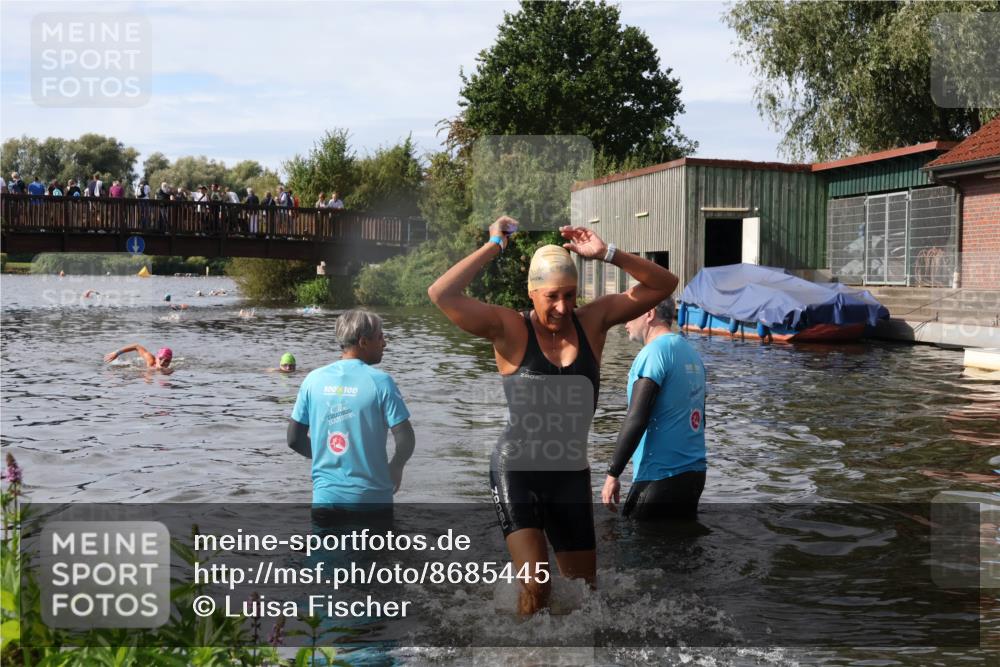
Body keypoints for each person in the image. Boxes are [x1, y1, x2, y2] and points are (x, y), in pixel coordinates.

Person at [427, 217, 678, 614]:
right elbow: (441, 293)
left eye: (571, 295)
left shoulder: (593, 321)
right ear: (532, 293)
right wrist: (495, 245)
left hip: (569, 475)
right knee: (538, 587)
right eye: (552, 297)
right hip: (518, 470)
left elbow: (665, 284)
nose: (563, 307)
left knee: (584, 598)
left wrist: (607, 253)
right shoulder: (508, 327)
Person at [286, 310, 415, 514]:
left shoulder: (313, 380)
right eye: (380, 337)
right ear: (363, 342)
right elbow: (405, 438)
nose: (385, 343)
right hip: (371, 500)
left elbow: (294, 439)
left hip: (325, 499)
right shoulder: (381, 382)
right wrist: (396, 466)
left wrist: (326, 455)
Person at [601, 298, 707, 522]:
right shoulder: (692, 354)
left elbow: (637, 418)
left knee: (638, 549)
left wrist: (613, 473)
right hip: (695, 474)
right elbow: (701, 419)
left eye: (631, 314)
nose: (624, 322)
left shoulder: (653, 353)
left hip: (660, 477)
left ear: (649, 314)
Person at [104, 344, 173, 373]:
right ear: (157, 357)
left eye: (166, 360)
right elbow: (136, 346)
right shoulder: (151, 360)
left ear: (170, 361)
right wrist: (117, 353)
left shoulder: (168, 371)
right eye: (160, 358)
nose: (162, 362)